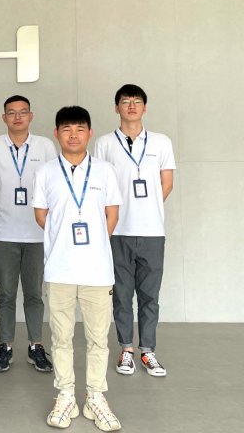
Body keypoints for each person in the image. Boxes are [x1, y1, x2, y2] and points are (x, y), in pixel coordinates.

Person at [32, 106, 123, 431]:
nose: (73, 134)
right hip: (60, 271)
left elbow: (112, 215)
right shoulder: (45, 172)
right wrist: (65, 242)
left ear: (90, 133)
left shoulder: (105, 171)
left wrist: (93, 243)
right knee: (61, 338)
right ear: (56, 134)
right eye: (67, 129)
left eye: (80, 128)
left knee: (98, 339)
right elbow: (41, 216)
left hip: (97, 272)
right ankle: (66, 395)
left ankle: (96, 397)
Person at [93, 84, 176, 378]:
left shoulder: (161, 142)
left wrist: (147, 207)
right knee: (122, 294)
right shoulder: (104, 143)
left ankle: (148, 350)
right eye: (125, 101)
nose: (131, 105)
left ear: (144, 107)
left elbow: (166, 183)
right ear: (116, 107)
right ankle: (126, 350)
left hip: (152, 231)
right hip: (118, 231)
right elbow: (100, 187)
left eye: (137, 101)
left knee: (150, 296)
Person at [0, 95, 56, 374]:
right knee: (6, 294)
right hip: (4, 232)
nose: (17, 117)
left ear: (30, 116)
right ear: (4, 117)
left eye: (22, 112)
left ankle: (36, 346)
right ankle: (6, 346)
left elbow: (54, 185)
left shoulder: (45, 146)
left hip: (37, 233)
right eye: (11, 113)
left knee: (35, 294)